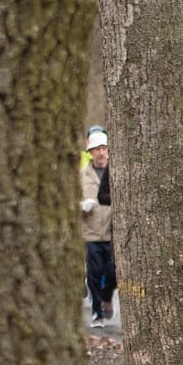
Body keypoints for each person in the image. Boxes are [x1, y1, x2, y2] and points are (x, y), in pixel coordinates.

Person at [80, 130, 116, 328]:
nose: (101, 153)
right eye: (97, 149)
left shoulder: (117, 172)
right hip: (91, 232)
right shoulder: (82, 176)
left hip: (112, 232)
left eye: (104, 148)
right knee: (94, 273)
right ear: (90, 152)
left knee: (112, 273)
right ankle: (97, 313)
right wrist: (81, 205)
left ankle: (106, 297)